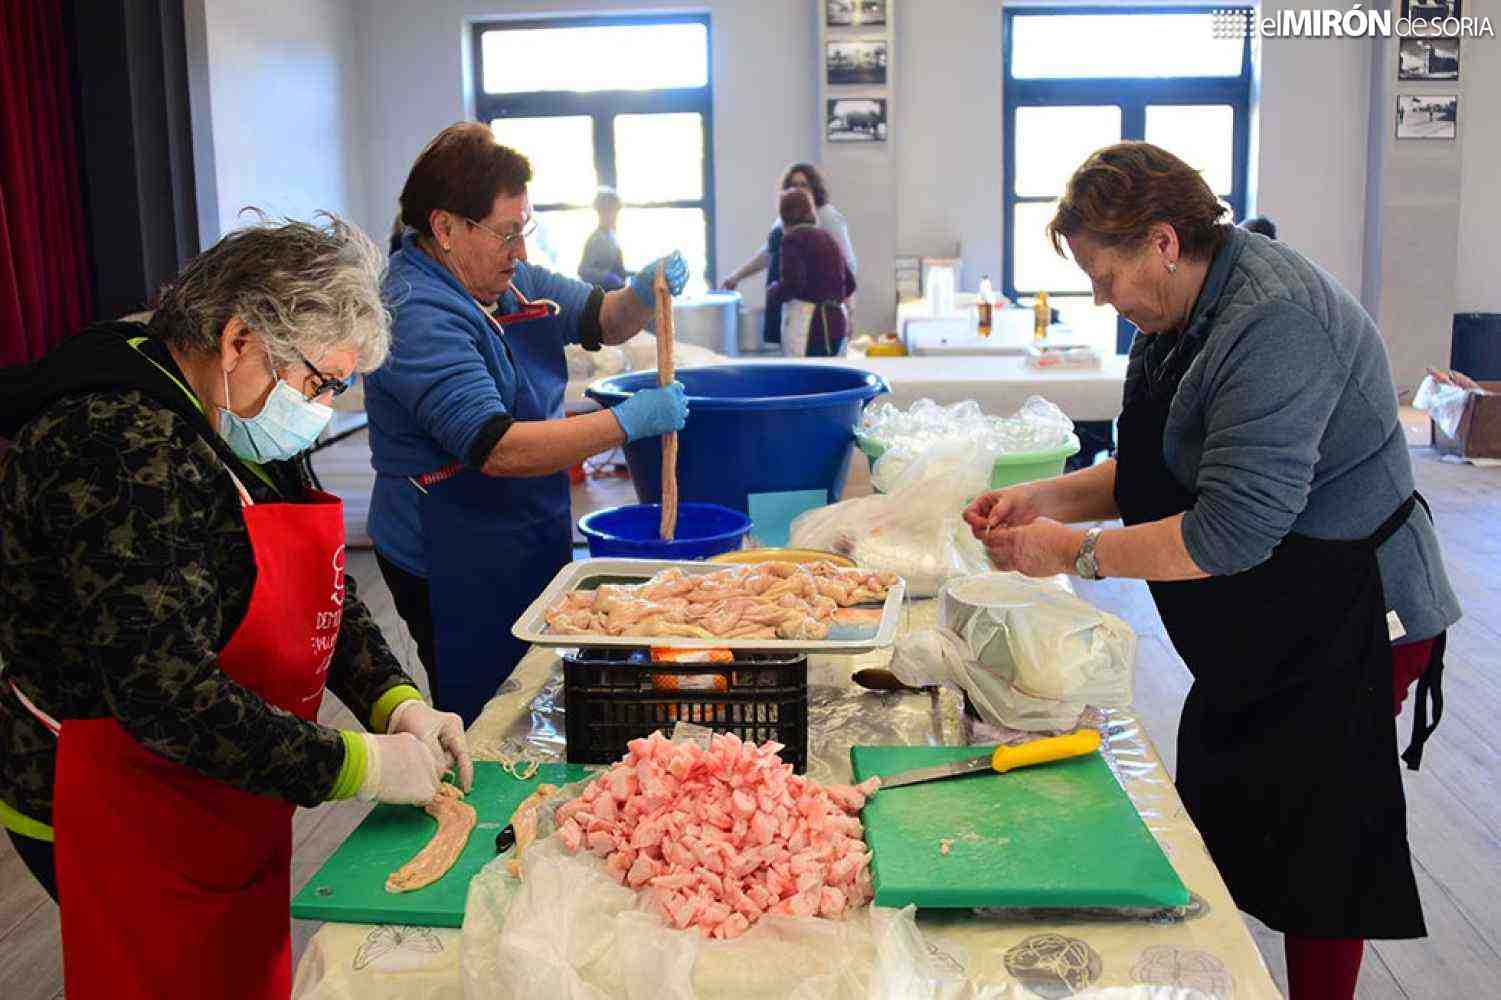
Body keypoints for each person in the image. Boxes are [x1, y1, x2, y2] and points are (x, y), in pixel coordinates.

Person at [963, 142, 1460, 1000]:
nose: (1099, 297)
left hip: (1346, 613)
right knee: (1227, 805)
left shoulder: (1274, 323)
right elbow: (1156, 469)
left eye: (1101, 273)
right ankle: (1215, 973)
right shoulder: (1174, 312)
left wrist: (1072, 553)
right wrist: (1040, 499)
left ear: (1160, 240)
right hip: (1265, 622)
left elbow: (1231, 528)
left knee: (1320, 851)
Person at [0, 214, 471, 1000]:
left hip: (222, 775)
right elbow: (163, 695)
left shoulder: (236, 416)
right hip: (109, 794)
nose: (321, 408)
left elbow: (322, 586)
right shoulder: (116, 443)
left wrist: (395, 704)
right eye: (319, 384)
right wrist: (355, 765)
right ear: (240, 340)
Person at [366, 123, 689, 725]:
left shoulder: (508, 280)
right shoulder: (413, 310)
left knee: (541, 679)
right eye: (506, 233)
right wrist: (625, 423)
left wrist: (643, 292)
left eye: (525, 230)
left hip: (524, 523)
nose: (519, 250)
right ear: (445, 228)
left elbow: (604, 317)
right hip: (451, 547)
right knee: (489, 708)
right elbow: (497, 448)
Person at [721, 162, 856, 348]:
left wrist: (846, 309)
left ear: (814, 188)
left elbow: (847, 266)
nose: (797, 189)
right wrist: (737, 276)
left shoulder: (827, 218)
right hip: (791, 305)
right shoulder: (784, 223)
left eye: (803, 185)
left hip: (809, 310)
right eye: (792, 185)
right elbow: (769, 253)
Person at [767, 187, 856, 357]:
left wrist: (774, 291)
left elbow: (794, 284)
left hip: (810, 326)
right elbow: (850, 284)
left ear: (783, 216)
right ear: (811, 211)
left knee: (805, 380)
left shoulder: (792, 240)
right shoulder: (827, 237)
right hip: (836, 324)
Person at [579, 186, 628, 290]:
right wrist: (606, 277)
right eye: (609, 211)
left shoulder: (611, 237)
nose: (614, 216)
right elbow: (583, 270)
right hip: (600, 295)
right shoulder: (596, 239)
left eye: (615, 211)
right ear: (601, 213)